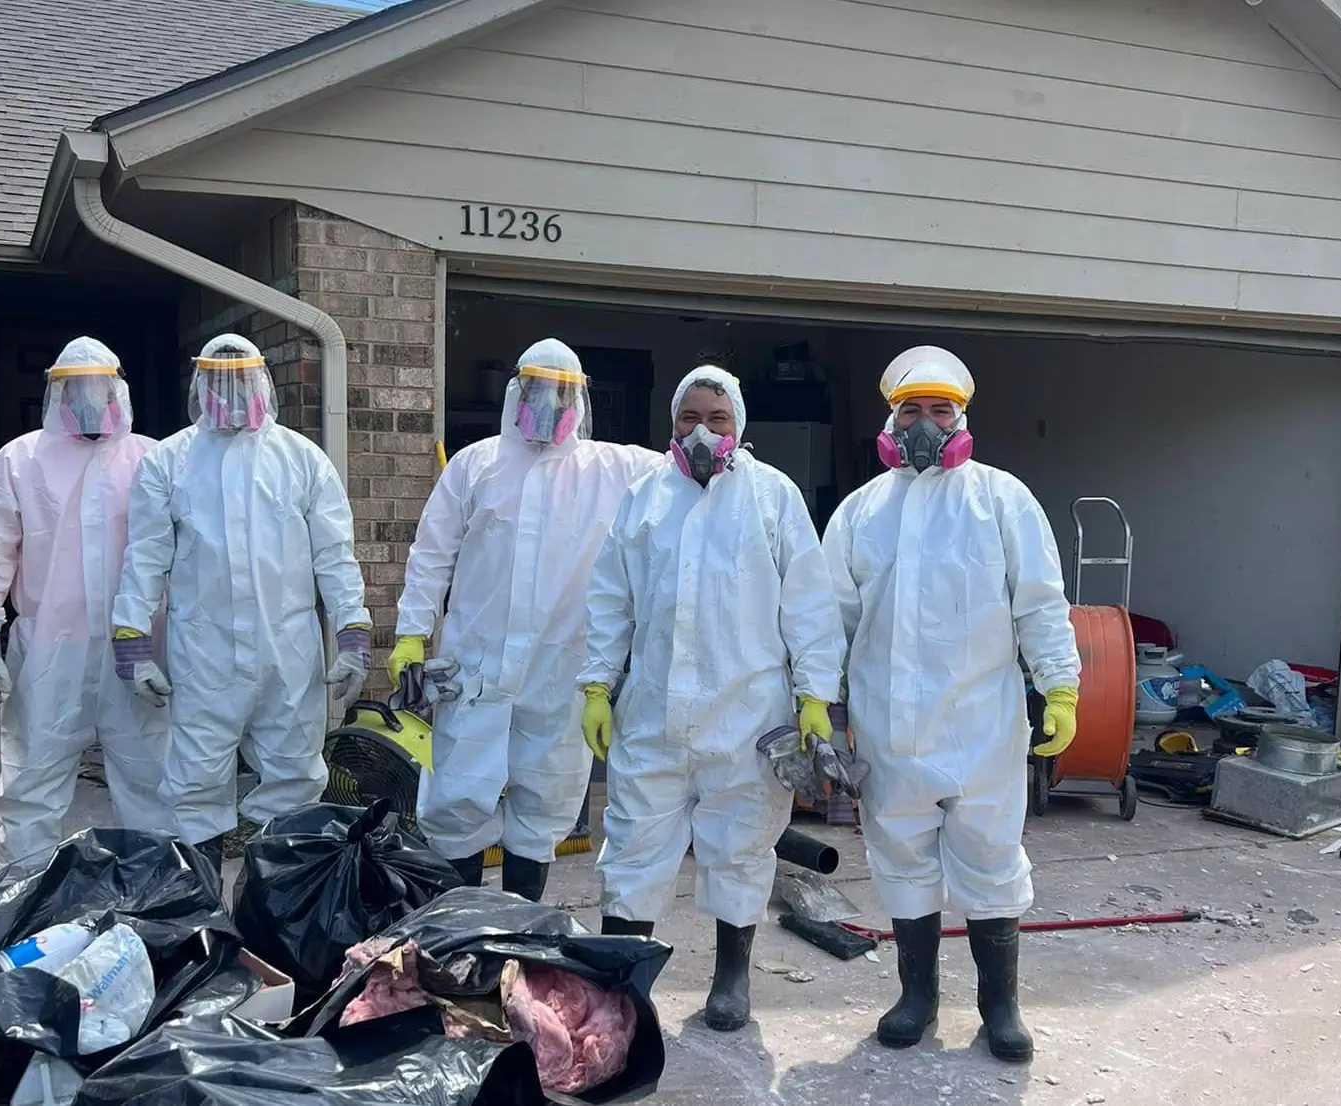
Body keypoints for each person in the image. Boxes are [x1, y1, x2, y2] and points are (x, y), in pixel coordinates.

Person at [821, 346, 1080, 1061]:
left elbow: (1039, 604)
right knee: (900, 856)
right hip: (889, 725)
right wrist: (815, 700)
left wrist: (1060, 686)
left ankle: (1000, 1006)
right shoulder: (860, 512)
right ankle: (917, 996)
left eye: (941, 411)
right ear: (890, 419)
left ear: (962, 418)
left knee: (992, 857)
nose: (925, 423)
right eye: (912, 410)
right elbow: (828, 620)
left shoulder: (1003, 499)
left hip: (982, 726)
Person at [579, 365, 846, 1032]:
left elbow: (809, 605)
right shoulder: (644, 498)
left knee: (742, 844)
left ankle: (731, 980)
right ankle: (624, 983)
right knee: (634, 843)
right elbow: (611, 599)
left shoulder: (773, 498)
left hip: (749, 714)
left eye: (716, 419)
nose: (701, 431)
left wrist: (815, 697)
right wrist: (595, 684)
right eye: (687, 419)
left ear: (740, 426)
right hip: (653, 710)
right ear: (670, 426)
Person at [389, 338, 663, 902]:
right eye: (538, 390)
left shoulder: (613, 468)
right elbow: (431, 553)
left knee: (547, 798)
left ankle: (516, 928)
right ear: (516, 390)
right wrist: (412, 635)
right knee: (457, 797)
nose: (549, 405)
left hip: (561, 669)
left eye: (562, 394)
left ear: (581, 400)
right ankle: (457, 928)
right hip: (475, 665)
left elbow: (687, 470)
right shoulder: (476, 464)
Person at [111, 334, 371, 872]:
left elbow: (335, 555)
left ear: (262, 384)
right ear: (200, 385)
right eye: (218, 381)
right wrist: (131, 641)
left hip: (288, 654)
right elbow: (145, 558)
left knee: (296, 779)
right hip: (205, 654)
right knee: (195, 786)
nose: (230, 394)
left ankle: (272, 913)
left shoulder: (301, 460)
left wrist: (352, 634)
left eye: (241, 381)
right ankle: (205, 923)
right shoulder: (169, 462)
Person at [0, 337, 171, 861]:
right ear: (55, 394)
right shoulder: (21, 459)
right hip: (50, 647)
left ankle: (153, 901)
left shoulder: (153, 458)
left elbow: (182, 552)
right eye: (76, 389)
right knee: (33, 777)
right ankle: (30, 893)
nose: (89, 400)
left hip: (138, 649)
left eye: (100, 388)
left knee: (152, 779)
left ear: (119, 389)